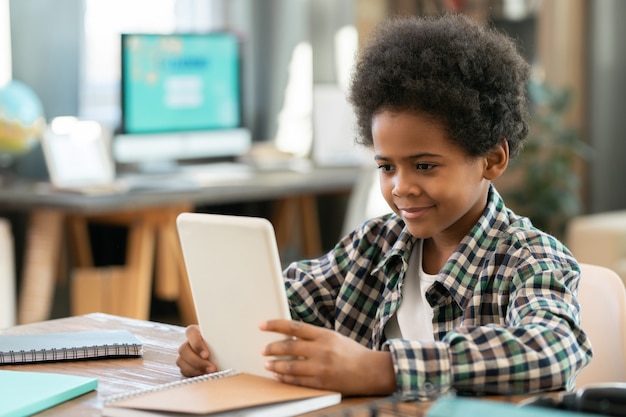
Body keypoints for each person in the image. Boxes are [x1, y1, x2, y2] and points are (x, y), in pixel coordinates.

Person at [176, 13, 592, 400]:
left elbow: (555, 348)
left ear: (492, 159)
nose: (401, 187)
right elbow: (279, 303)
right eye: (386, 166)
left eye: (425, 165)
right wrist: (213, 342)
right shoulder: (373, 246)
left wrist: (383, 369)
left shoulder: (531, 259)